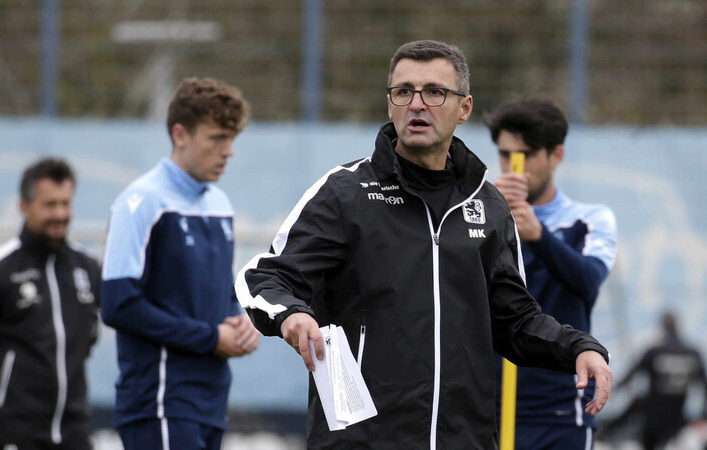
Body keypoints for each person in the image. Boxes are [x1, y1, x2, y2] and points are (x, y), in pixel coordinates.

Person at [236, 40, 613, 449]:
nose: (417, 104)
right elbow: (264, 277)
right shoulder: (345, 193)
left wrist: (579, 347)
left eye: (434, 92)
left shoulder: (488, 206)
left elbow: (515, 320)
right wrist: (291, 313)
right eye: (403, 92)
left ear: (463, 108)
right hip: (362, 440)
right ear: (390, 104)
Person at [100, 77, 260, 450]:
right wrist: (210, 338)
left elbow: (218, 296)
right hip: (160, 402)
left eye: (232, 138)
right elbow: (118, 305)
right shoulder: (140, 202)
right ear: (180, 134)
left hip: (210, 403)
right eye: (217, 138)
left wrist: (239, 322)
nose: (229, 151)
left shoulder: (220, 204)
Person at [485, 98, 618, 449]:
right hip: (485, 407)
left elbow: (588, 280)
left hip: (558, 408)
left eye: (526, 154)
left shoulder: (588, 219)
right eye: (504, 153)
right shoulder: (479, 217)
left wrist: (539, 237)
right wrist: (494, 222)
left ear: (556, 155)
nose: (514, 165)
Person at [0, 158, 100, 450]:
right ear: (23, 206)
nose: (60, 214)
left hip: (74, 434)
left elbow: (88, 338)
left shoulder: (87, 267)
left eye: (66, 203)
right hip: (12, 436)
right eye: (49, 204)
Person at [614, 312, 707, 450]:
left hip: (652, 417)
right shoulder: (692, 352)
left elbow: (632, 373)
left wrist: (614, 389)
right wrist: (705, 415)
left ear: (663, 326)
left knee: (637, 404)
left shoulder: (654, 351)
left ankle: (606, 432)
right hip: (677, 416)